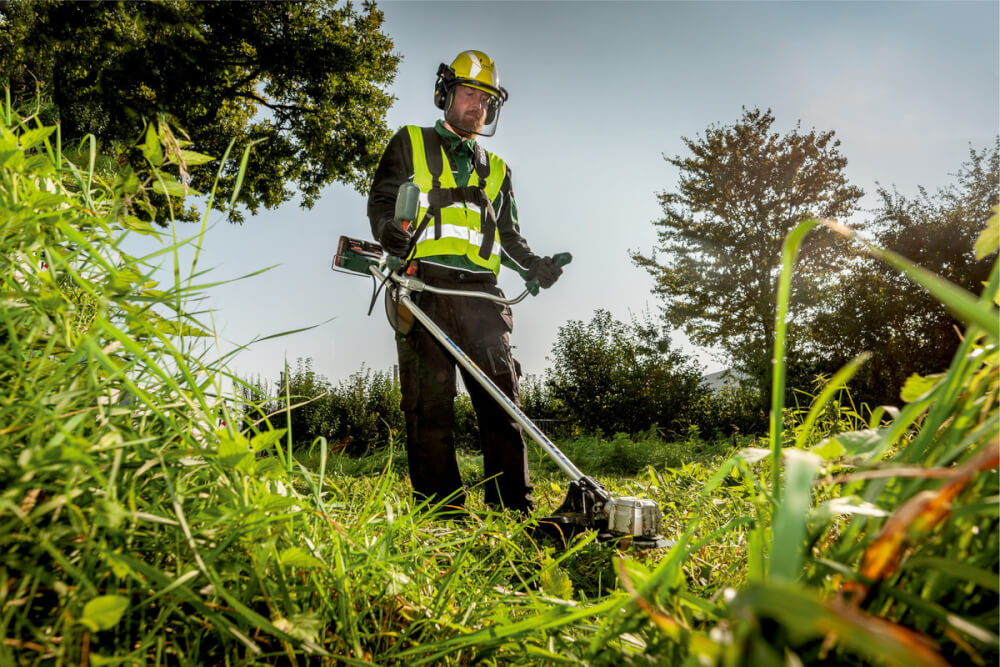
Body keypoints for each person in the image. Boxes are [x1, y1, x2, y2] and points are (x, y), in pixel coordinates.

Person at [367, 50, 565, 516]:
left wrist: (534, 265)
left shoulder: (497, 169)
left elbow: (509, 235)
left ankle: (510, 511)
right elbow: (381, 200)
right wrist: (386, 231)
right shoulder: (409, 142)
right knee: (429, 408)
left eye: (485, 98)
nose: (477, 104)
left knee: (503, 404)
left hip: (480, 295)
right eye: (469, 93)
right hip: (423, 290)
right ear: (446, 94)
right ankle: (441, 515)